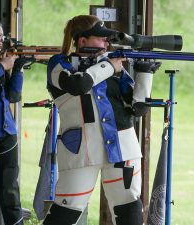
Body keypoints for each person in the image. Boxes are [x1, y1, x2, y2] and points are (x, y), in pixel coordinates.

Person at [43, 15, 161, 225]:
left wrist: (145, 73)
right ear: (82, 41)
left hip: (122, 148)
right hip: (81, 150)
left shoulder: (113, 67)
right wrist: (109, 67)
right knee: (66, 211)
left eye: (108, 40)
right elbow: (77, 85)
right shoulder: (59, 64)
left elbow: (137, 108)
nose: (107, 43)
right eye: (101, 38)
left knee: (129, 209)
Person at [0, 19, 28, 225]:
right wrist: (0, 66)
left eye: (1, 36)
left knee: (10, 192)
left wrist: (17, 70)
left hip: (6, 134)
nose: (2, 39)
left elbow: (13, 96)